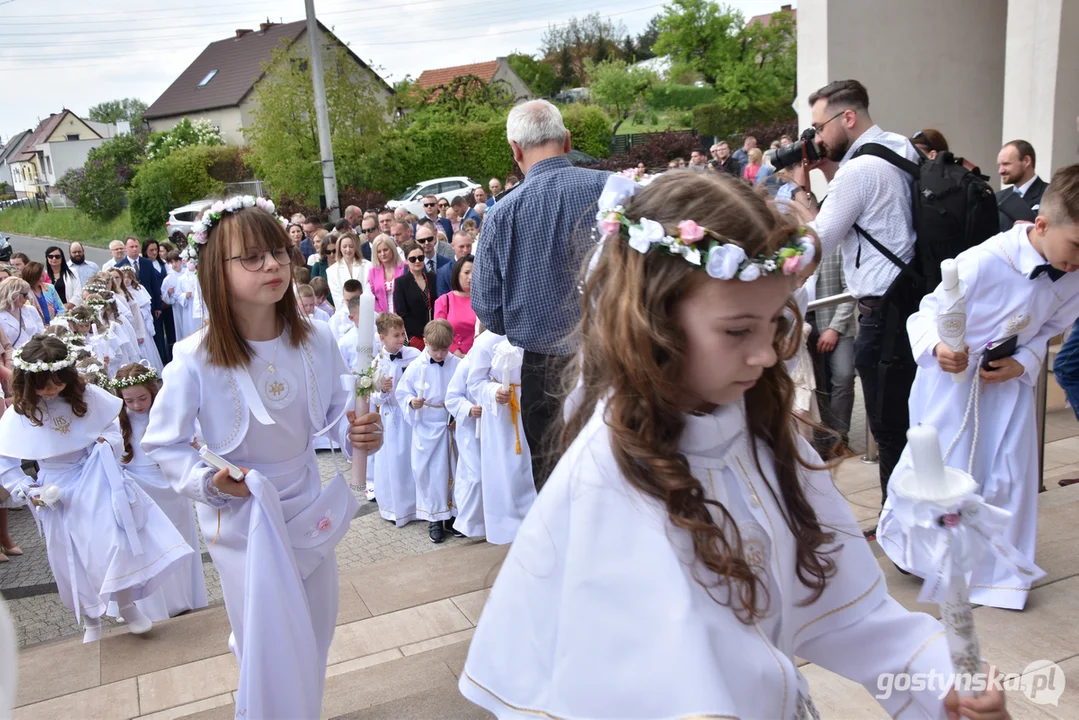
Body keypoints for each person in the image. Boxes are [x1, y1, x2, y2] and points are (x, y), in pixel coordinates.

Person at [458, 169, 1009, 720]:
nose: (768, 355)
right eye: (739, 330)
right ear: (655, 321)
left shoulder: (759, 426)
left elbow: (850, 612)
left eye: (772, 323)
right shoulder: (613, 476)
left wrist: (940, 679)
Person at [140, 196, 384, 719]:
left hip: (305, 502)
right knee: (266, 639)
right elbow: (163, 442)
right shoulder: (194, 358)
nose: (273, 265)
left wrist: (362, 432)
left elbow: (342, 415)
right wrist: (210, 482)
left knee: (313, 631)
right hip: (245, 516)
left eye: (277, 251)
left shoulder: (316, 338)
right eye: (251, 257)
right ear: (216, 270)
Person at [878, 163, 1079, 611]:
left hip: (1007, 389)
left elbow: (1048, 330)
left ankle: (996, 575)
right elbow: (926, 314)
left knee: (1007, 474)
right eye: (1076, 246)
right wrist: (938, 348)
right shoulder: (985, 261)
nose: (1078, 261)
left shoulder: (1073, 275)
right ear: (1042, 225)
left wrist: (1023, 362)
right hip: (952, 386)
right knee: (942, 471)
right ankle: (926, 558)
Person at [0, 336, 194, 643]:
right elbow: (6, 461)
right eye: (43, 385)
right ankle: (91, 619)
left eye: (57, 383)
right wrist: (27, 489)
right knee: (70, 556)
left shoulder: (85, 395)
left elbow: (110, 425)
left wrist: (105, 446)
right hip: (56, 489)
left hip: (95, 476)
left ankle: (128, 604)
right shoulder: (21, 414)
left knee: (115, 542)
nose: (51, 391)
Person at [791, 78, 921, 523]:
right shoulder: (898, 146)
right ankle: (911, 515)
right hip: (912, 301)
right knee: (907, 420)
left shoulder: (858, 171)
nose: (814, 139)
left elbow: (818, 240)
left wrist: (798, 188)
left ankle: (897, 523)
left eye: (818, 127)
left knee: (887, 429)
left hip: (882, 315)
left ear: (848, 117)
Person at [471, 99, 609, 489]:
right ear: (567, 141)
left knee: (555, 488)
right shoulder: (609, 190)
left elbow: (489, 310)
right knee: (617, 479)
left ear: (515, 150)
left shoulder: (501, 214)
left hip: (542, 369)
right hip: (614, 357)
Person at [114, 362, 208, 619]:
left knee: (180, 540)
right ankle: (153, 605)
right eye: (129, 400)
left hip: (170, 486)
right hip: (139, 489)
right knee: (149, 547)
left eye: (142, 397)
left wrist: (196, 445)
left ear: (154, 391)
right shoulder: (119, 421)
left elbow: (194, 437)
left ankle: (185, 597)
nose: (136, 405)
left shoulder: (168, 412)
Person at [396, 319, 461, 543]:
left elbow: (465, 392)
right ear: (425, 342)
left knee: (453, 469)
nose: (441, 355)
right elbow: (402, 393)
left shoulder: (457, 364)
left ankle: (453, 515)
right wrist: (412, 402)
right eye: (435, 350)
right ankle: (434, 517)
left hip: (449, 424)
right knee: (430, 472)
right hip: (425, 424)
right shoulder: (416, 367)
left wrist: (456, 414)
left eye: (445, 349)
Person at [371, 312, 421, 525]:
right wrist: (382, 390)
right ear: (382, 338)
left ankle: (418, 506)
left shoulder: (414, 355)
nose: (401, 339)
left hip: (411, 415)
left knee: (414, 461)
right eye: (396, 335)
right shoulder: (377, 363)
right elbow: (372, 396)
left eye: (402, 334)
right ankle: (395, 508)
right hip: (391, 418)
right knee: (394, 462)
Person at [807, 249, 856, 457]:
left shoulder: (836, 245)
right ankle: (822, 440)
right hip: (803, 325)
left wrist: (834, 328)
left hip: (837, 324)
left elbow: (851, 288)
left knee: (844, 377)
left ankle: (839, 437)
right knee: (815, 385)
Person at [444, 351, 483, 539]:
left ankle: (485, 521)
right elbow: (451, 397)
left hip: (492, 430)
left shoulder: (499, 361)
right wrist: (469, 409)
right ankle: (466, 520)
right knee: (474, 476)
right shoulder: (466, 365)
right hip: (470, 429)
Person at [997, 139, 1048, 232]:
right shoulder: (997, 198)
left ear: (1026, 161)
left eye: (1006, 164)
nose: (1000, 171)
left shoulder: (1051, 194)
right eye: (999, 165)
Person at [394, 244, 436, 350]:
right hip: (415, 336)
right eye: (413, 259)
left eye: (420, 258)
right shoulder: (401, 282)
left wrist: (434, 331)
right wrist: (423, 333)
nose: (417, 261)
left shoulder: (432, 277)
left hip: (435, 332)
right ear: (407, 260)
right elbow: (401, 313)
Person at [434, 255, 476, 356]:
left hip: (479, 355)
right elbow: (440, 333)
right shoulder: (444, 300)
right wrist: (458, 354)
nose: (470, 277)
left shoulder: (484, 299)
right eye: (466, 273)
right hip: (452, 356)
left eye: (474, 272)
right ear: (457, 274)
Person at [326, 232, 371, 309]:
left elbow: (368, 292)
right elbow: (338, 298)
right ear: (339, 248)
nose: (348, 249)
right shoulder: (331, 271)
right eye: (344, 246)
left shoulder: (368, 266)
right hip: (343, 314)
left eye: (351, 246)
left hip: (366, 309)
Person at [0, 278, 44, 351]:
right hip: (13, 360)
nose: (28, 298)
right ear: (13, 294)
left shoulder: (30, 310)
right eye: (25, 295)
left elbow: (41, 334)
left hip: (37, 355)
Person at [368, 234, 405, 314]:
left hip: (403, 315)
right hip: (383, 318)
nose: (383, 254)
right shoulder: (372, 272)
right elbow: (372, 297)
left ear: (392, 249)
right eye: (379, 251)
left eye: (385, 250)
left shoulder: (404, 267)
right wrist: (383, 316)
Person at [436, 231, 473, 298]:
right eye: (461, 246)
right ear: (452, 246)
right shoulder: (444, 272)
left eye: (468, 246)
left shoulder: (480, 267)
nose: (465, 250)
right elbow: (443, 300)